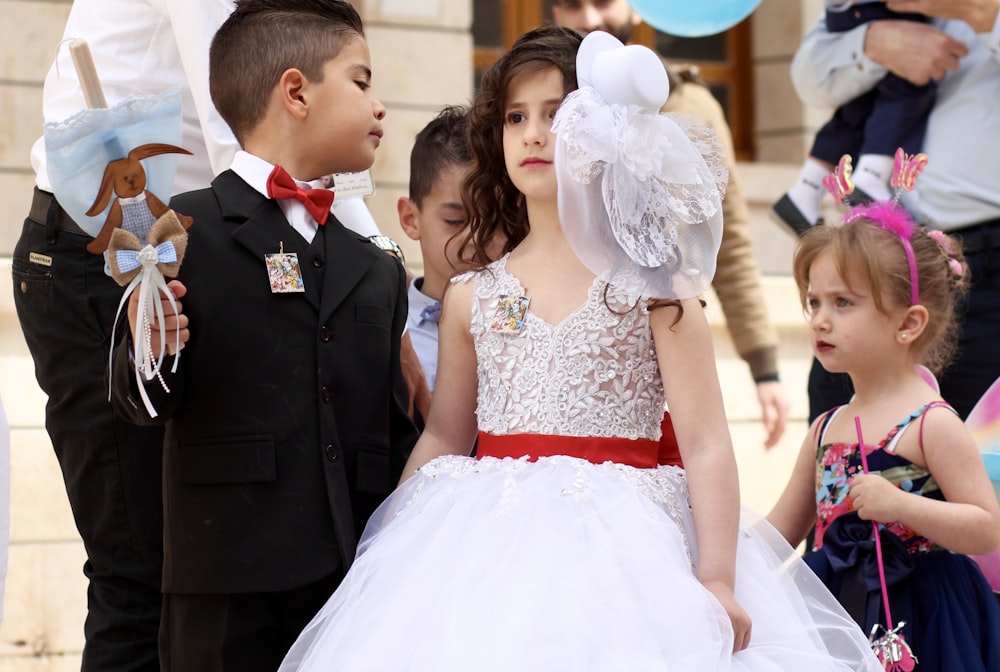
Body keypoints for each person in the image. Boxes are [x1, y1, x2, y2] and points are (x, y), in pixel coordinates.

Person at [276, 25, 881, 671]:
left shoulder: (658, 291)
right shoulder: (472, 297)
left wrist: (718, 578)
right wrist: (393, 552)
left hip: (631, 558)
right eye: (515, 116)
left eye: (558, 113)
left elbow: (706, 442)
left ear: (611, 130)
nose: (533, 133)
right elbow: (446, 436)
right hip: (481, 551)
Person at [12, 0, 425, 667]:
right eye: (363, 81)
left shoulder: (350, 260)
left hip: (228, 251)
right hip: (118, 253)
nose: (377, 103)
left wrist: (368, 274)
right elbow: (244, 121)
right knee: (142, 576)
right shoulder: (237, 191)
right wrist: (364, 256)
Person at [767, 196, 1000, 670]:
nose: (820, 319)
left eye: (843, 303)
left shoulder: (930, 423)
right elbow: (778, 532)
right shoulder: (825, 429)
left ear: (909, 323)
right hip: (834, 610)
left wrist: (901, 506)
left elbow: (986, 526)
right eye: (814, 301)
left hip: (923, 617)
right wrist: (715, 561)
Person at [551, 0, 790, 451]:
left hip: (663, 340)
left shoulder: (688, 102)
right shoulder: (539, 107)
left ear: (639, 9)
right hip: (559, 342)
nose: (588, 19)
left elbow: (729, 239)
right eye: (572, 4)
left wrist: (765, 366)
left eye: (602, 2)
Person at [791, 0, 1000, 422]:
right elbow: (808, 80)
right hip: (875, 256)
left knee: (979, 469)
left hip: (990, 272)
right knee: (839, 447)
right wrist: (872, 42)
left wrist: (982, 13)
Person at [772, 1, 936, 235]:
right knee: (912, 79)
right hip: (883, 9)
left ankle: (806, 188)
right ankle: (871, 176)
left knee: (863, 102)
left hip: (853, 12)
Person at [397, 105, 476, 405]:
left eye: (492, 219)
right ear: (410, 218)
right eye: (455, 221)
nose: (475, 237)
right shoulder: (390, 329)